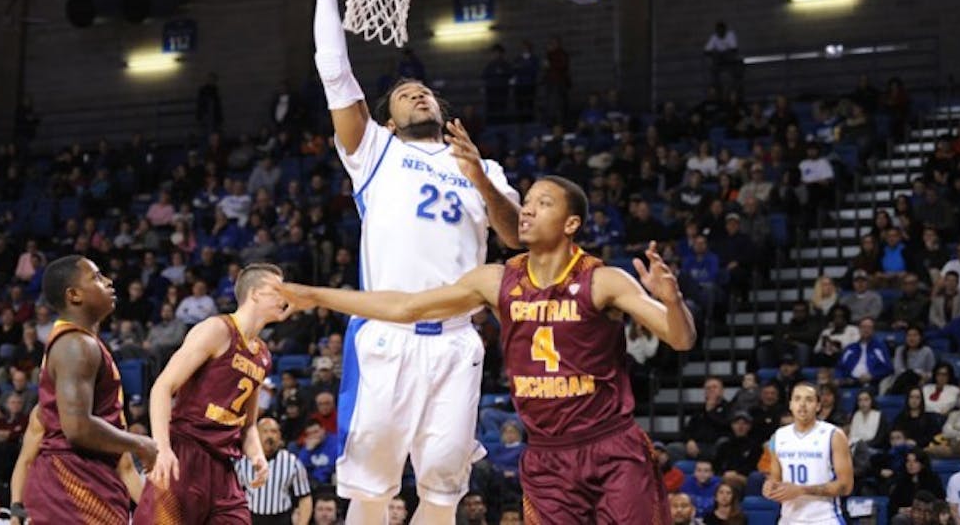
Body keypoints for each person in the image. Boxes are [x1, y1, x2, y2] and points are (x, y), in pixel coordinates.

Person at [278, 176, 697, 524]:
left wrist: (672, 300)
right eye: (527, 201)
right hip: (547, 457)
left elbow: (680, 338)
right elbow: (404, 306)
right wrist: (317, 295)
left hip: (611, 447)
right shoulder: (495, 280)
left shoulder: (604, 280)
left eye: (543, 203)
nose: (528, 210)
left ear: (571, 224)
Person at [285, 0, 522, 525]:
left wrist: (481, 178)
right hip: (387, 335)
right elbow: (335, 75)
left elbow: (516, 237)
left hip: (457, 340)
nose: (420, 96)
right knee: (371, 491)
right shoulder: (375, 152)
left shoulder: (481, 165)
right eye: (407, 95)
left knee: (443, 491)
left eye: (427, 93)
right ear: (387, 120)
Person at [133, 263, 288, 524]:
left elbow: (248, 424)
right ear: (256, 293)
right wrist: (163, 448)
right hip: (185, 452)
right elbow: (162, 387)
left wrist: (257, 455)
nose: (286, 297)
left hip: (223, 466)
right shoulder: (216, 330)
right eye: (278, 290)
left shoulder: (263, 355)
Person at [22, 256, 158, 525]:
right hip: (73, 480)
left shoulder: (80, 342)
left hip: (84, 477)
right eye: (96, 277)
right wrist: (141, 443)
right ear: (73, 295)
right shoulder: (76, 344)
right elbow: (78, 427)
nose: (108, 281)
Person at [9, 405, 144, 525]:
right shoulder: (45, 411)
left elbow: (126, 469)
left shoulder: (111, 412)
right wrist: (15, 508)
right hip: (53, 502)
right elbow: (26, 461)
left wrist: (153, 509)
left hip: (99, 504)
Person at [764, 381, 854, 524]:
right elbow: (775, 478)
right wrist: (770, 487)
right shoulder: (778, 436)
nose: (802, 404)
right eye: (797, 399)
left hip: (824, 518)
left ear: (818, 406)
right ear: (790, 404)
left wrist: (802, 490)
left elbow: (846, 486)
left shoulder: (834, 435)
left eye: (809, 399)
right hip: (789, 519)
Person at [234, 417, 312, 525]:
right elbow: (232, 497)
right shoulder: (243, 462)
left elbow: (305, 498)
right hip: (251, 518)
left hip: (281, 519)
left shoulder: (292, 462)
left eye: (274, 431)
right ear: (256, 435)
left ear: (279, 436)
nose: (269, 436)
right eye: (265, 431)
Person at [704, 21, 741, 94]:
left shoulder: (730, 34)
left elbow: (734, 49)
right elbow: (706, 51)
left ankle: (735, 83)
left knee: (730, 56)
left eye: (722, 30)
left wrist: (723, 52)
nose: (720, 32)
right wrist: (717, 53)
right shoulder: (714, 37)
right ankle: (716, 85)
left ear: (725, 30)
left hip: (729, 59)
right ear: (717, 31)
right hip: (719, 60)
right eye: (718, 30)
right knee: (713, 61)